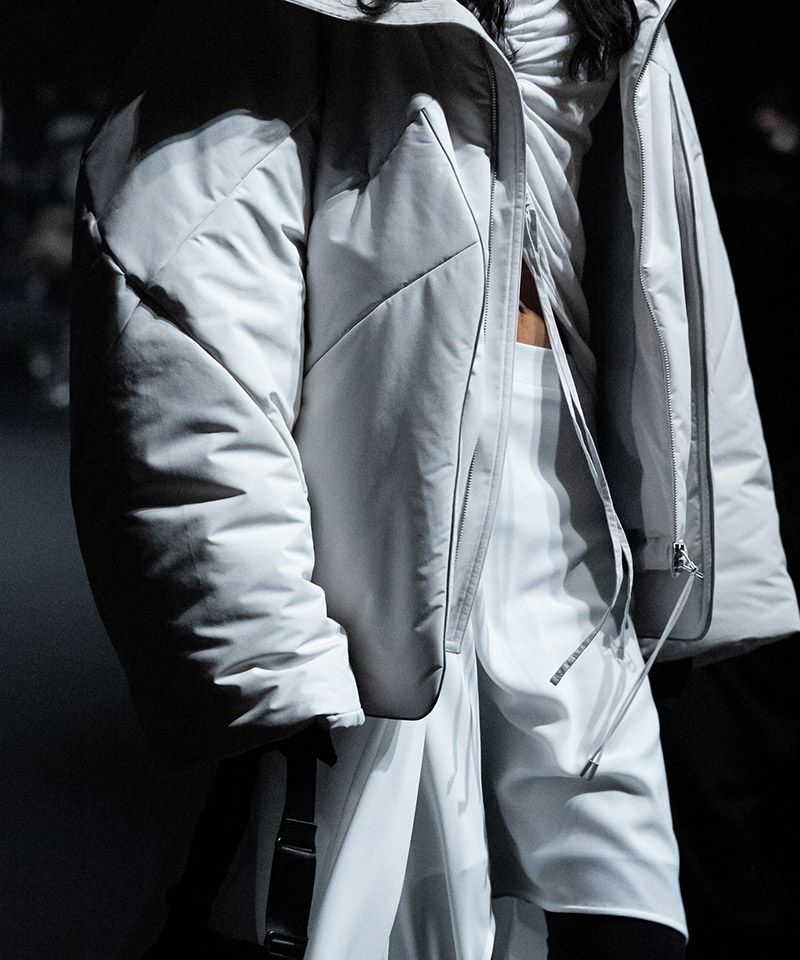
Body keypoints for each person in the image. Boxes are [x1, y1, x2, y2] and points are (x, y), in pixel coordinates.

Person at [68, 0, 799, 957]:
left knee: (620, 914)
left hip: (568, 509)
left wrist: (717, 561)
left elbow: (675, 261)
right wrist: (258, 629)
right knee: (337, 906)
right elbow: (188, 284)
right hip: (377, 523)